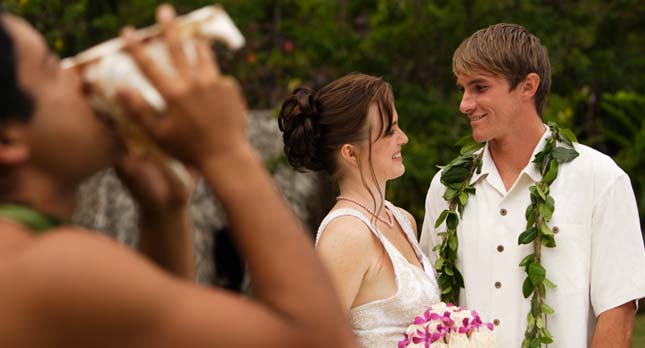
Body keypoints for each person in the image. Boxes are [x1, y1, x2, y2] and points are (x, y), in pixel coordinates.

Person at [0, 5, 357, 347]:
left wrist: (164, 215)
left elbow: (153, 336)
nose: (79, 77)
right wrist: (226, 151)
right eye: (51, 69)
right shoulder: (46, 270)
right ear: (7, 141)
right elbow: (324, 341)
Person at [419, 23, 645, 347]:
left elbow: (618, 315)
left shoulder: (600, 180)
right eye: (463, 89)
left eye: (479, 88)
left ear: (527, 86)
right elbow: (435, 307)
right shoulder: (445, 188)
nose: (464, 104)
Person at [278, 73, 440, 347]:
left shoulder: (402, 220)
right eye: (389, 131)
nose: (404, 138)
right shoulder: (346, 235)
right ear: (350, 153)